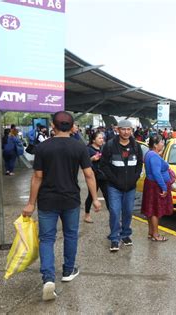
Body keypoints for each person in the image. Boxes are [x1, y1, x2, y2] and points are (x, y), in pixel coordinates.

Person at [21, 111, 101, 301]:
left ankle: (48, 278)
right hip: (70, 199)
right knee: (70, 235)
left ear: (53, 126)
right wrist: (95, 198)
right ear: (73, 127)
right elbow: (89, 175)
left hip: (47, 200)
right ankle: (67, 270)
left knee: (47, 239)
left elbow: (37, 177)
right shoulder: (79, 147)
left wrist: (31, 204)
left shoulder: (43, 148)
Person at [100, 120, 143, 252]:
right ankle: (114, 238)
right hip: (114, 187)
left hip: (130, 187)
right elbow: (104, 165)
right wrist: (113, 180)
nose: (126, 132)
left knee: (128, 211)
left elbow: (139, 164)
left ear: (132, 130)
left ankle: (125, 234)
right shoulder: (110, 145)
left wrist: (134, 178)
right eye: (123, 129)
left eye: (128, 129)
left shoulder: (136, 146)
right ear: (118, 130)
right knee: (114, 211)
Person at [141, 135, 174, 241]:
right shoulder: (154, 156)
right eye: (161, 143)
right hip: (156, 185)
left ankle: (151, 232)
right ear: (155, 145)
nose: (163, 144)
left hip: (151, 184)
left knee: (150, 209)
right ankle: (156, 234)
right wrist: (164, 188)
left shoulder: (150, 154)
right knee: (155, 210)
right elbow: (156, 173)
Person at [84, 131, 110, 223]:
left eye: (102, 138)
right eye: (99, 138)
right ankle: (87, 215)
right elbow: (84, 164)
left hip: (103, 176)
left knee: (108, 195)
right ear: (94, 140)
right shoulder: (88, 149)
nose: (101, 140)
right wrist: (92, 159)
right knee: (91, 196)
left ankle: (113, 216)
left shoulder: (104, 148)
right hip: (93, 177)